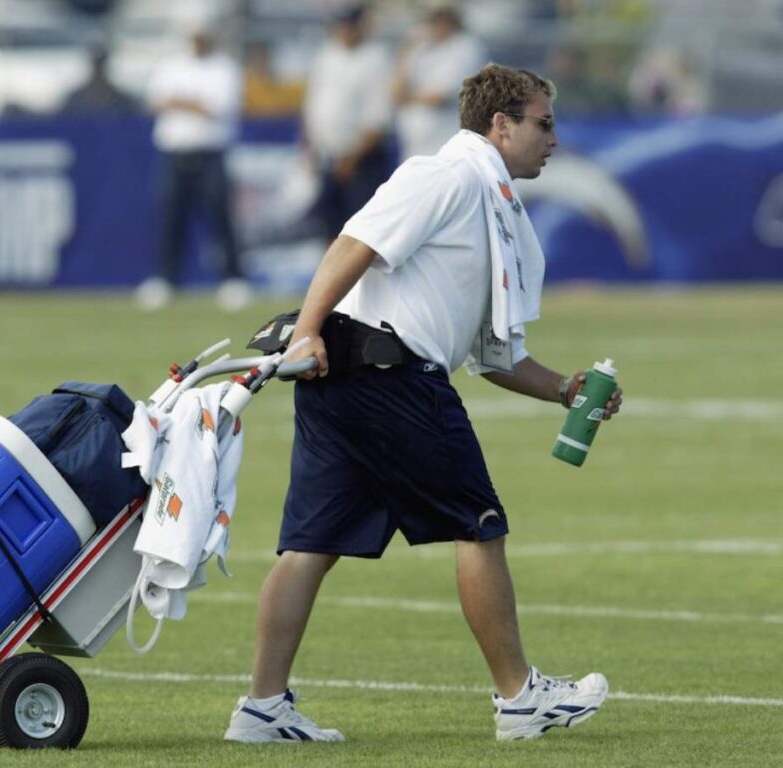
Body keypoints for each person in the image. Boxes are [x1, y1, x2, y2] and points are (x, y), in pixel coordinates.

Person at [224, 63, 623, 743]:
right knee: (479, 523)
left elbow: (494, 356)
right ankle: (520, 698)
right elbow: (354, 244)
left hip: (354, 376)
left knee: (311, 545)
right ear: (500, 125)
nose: (553, 139)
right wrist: (311, 328)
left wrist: (563, 388)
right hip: (385, 372)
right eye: (543, 124)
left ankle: (261, 709)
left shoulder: (492, 199)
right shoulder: (448, 175)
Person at [135, 17, 250, 312]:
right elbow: (156, 101)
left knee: (219, 217)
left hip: (209, 153)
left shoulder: (225, 68)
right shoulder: (172, 66)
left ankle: (232, 278)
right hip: (174, 152)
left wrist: (181, 102)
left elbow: (216, 108)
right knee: (170, 218)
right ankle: (165, 278)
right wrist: (193, 103)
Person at [302, 3, 392, 244]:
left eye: (349, 25)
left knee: (361, 231)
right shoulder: (327, 55)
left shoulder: (374, 59)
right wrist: (310, 148)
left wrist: (352, 158)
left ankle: (359, 283)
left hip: (362, 160)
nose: (345, 30)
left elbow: (378, 117)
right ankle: (331, 281)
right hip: (329, 155)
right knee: (329, 225)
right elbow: (314, 108)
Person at [392, 4, 485, 160]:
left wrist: (407, 97)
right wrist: (407, 48)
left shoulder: (465, 47)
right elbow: (395, 92)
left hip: (445, 141)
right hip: (414, 143)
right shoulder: (420, 47)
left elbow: (439, 97)